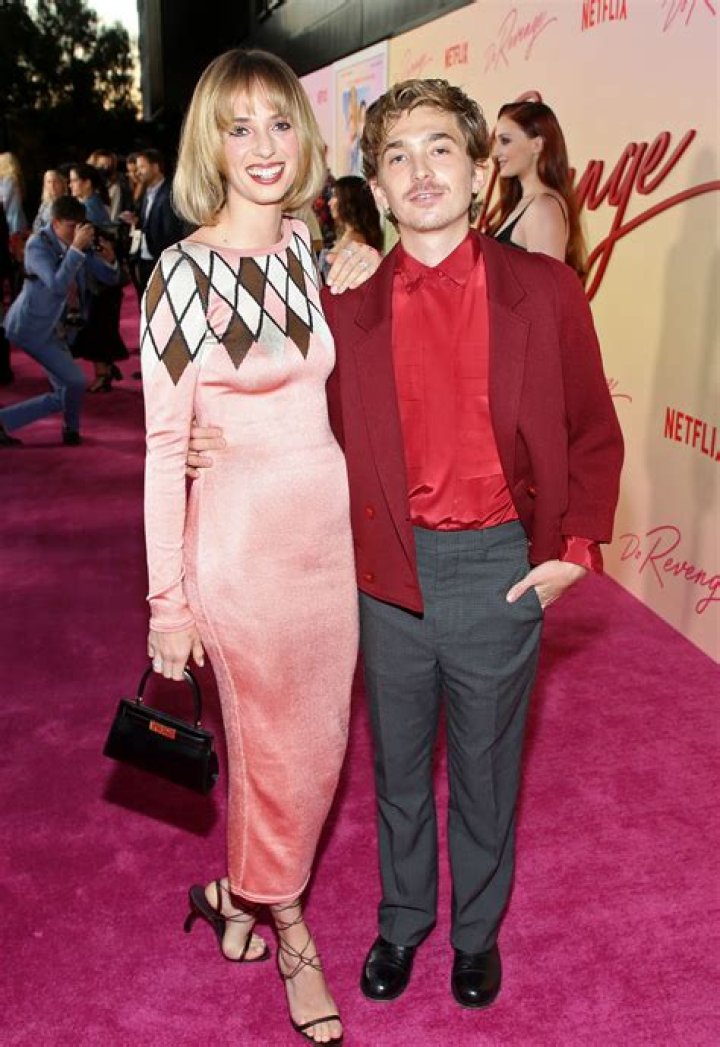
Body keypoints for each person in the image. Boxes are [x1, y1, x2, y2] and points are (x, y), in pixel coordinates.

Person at [188, 78, 624, 1011]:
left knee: (486, 773)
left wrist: (573, 550)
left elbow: (592, 428)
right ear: (378, 190)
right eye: (396, 156)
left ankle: (476, 934)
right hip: (384, 572)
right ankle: (402, 920)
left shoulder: (545, 290)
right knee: (396, 771)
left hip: (503, 567)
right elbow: (278, 402)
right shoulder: (344, 304)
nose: (420, 170)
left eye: (440, 148)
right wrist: (209, 440)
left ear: (478, 170)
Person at [141, 48, 377, 1045]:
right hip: (239, 555)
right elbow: (164, 450)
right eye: (239, 128)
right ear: (212, 145)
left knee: (319, 750)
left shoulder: (308, 250)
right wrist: (167, 605)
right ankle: (292, 934)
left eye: (280, 122)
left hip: (326, 545)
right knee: (277, 753)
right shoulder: (180, 275)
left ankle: (235, 896)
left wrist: (372, 262)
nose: (264, 146)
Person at [0, 195, 118, 447]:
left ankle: (71, 430)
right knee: (75, 382)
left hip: (58, 328)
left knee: (67, 387)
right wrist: (75, 249)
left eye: (79, 226)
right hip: (31, 327)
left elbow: (108, 278)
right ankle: (4, 420)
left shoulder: (78, 242)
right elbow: (56, 285)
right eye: (70, 226)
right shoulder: (37, 245)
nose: (76, 232)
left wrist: (110, 262)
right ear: (55, 223)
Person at [488, 101, 586, 275]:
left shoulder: (543, 208)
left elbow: (547, 288)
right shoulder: (524, 204)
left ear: (537, 145)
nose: (495, 153)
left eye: (505, 140)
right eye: (496, 141)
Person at [68, 163, 127, 392]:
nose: (70, 185)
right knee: (99, 325)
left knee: (97, 326)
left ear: (87, 183)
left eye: (74, 180)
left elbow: (96, 248)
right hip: (98, 276)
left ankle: (103, 375)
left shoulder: (89, 209)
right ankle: (106, 370)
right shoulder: (91, 205)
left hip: (98, 277)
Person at [130, 147, 184, 292]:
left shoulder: (170, 193)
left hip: (162, 260)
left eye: (142, 167)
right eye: (137, 168)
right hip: (144, 259)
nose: (138, 172)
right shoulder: (146, 193)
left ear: (155, 167)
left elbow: (171, 233)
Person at [327, 175, 383, 256]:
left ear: (348, 202)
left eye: (335, 196)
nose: (329, 202)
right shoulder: (357, 237)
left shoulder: (353, 242)